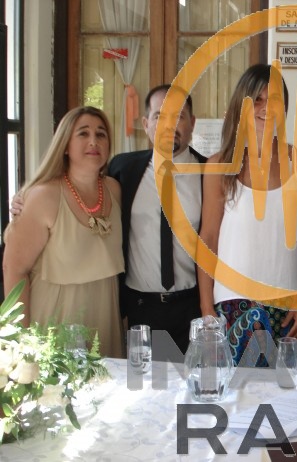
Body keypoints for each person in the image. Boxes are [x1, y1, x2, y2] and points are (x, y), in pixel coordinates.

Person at [198, 64, 297, 365]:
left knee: (285, 391)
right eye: (257, 100)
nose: (266, 108)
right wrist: (207, 310)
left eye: (274, 99)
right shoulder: (218, 166)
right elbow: (208, 238)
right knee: (234, 391)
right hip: (231, 303)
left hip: (288, 305)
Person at [3, 106, 124, 358]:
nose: (94, 141)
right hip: (56, 321)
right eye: (83, 133)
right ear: (65, 145)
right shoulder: (43, 196)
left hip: (105, 319)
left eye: (101, 134)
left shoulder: (113, 190)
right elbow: (14, 268)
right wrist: (22, 340)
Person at [108, 85, 206, 353]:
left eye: (179, 116)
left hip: (193, 308)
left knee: (195, 380)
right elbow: (82, 191)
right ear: (146, 124)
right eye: (159, 116)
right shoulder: (122, 169)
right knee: (142, 380)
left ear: (192, 123)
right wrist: (26, 199)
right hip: (140, 310)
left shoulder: (210, 173)